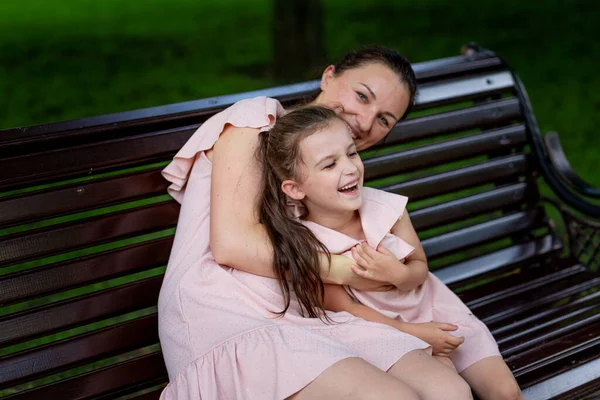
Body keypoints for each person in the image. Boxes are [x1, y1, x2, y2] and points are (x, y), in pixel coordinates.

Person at [158, 46, 474, 400]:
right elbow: (232, 245)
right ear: (328, 76)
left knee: (450, 392)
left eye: (384, 119)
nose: (365, 122)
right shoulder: (255, 120)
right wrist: (345, 270)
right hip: (225, 310)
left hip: (304, 310)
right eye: (361, 95)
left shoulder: (334, 171)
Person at [256, 105, 523, 400]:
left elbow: (420, 267)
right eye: (329, 164)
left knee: (506, 392)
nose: (349, 168)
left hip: (433, 308)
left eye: (352, 153)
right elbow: (344, 308)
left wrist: (400, 275)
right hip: (381, 333)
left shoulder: (388, 210)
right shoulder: (306, 244)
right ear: (294, 189)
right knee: (451, 394)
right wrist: (416, 333)